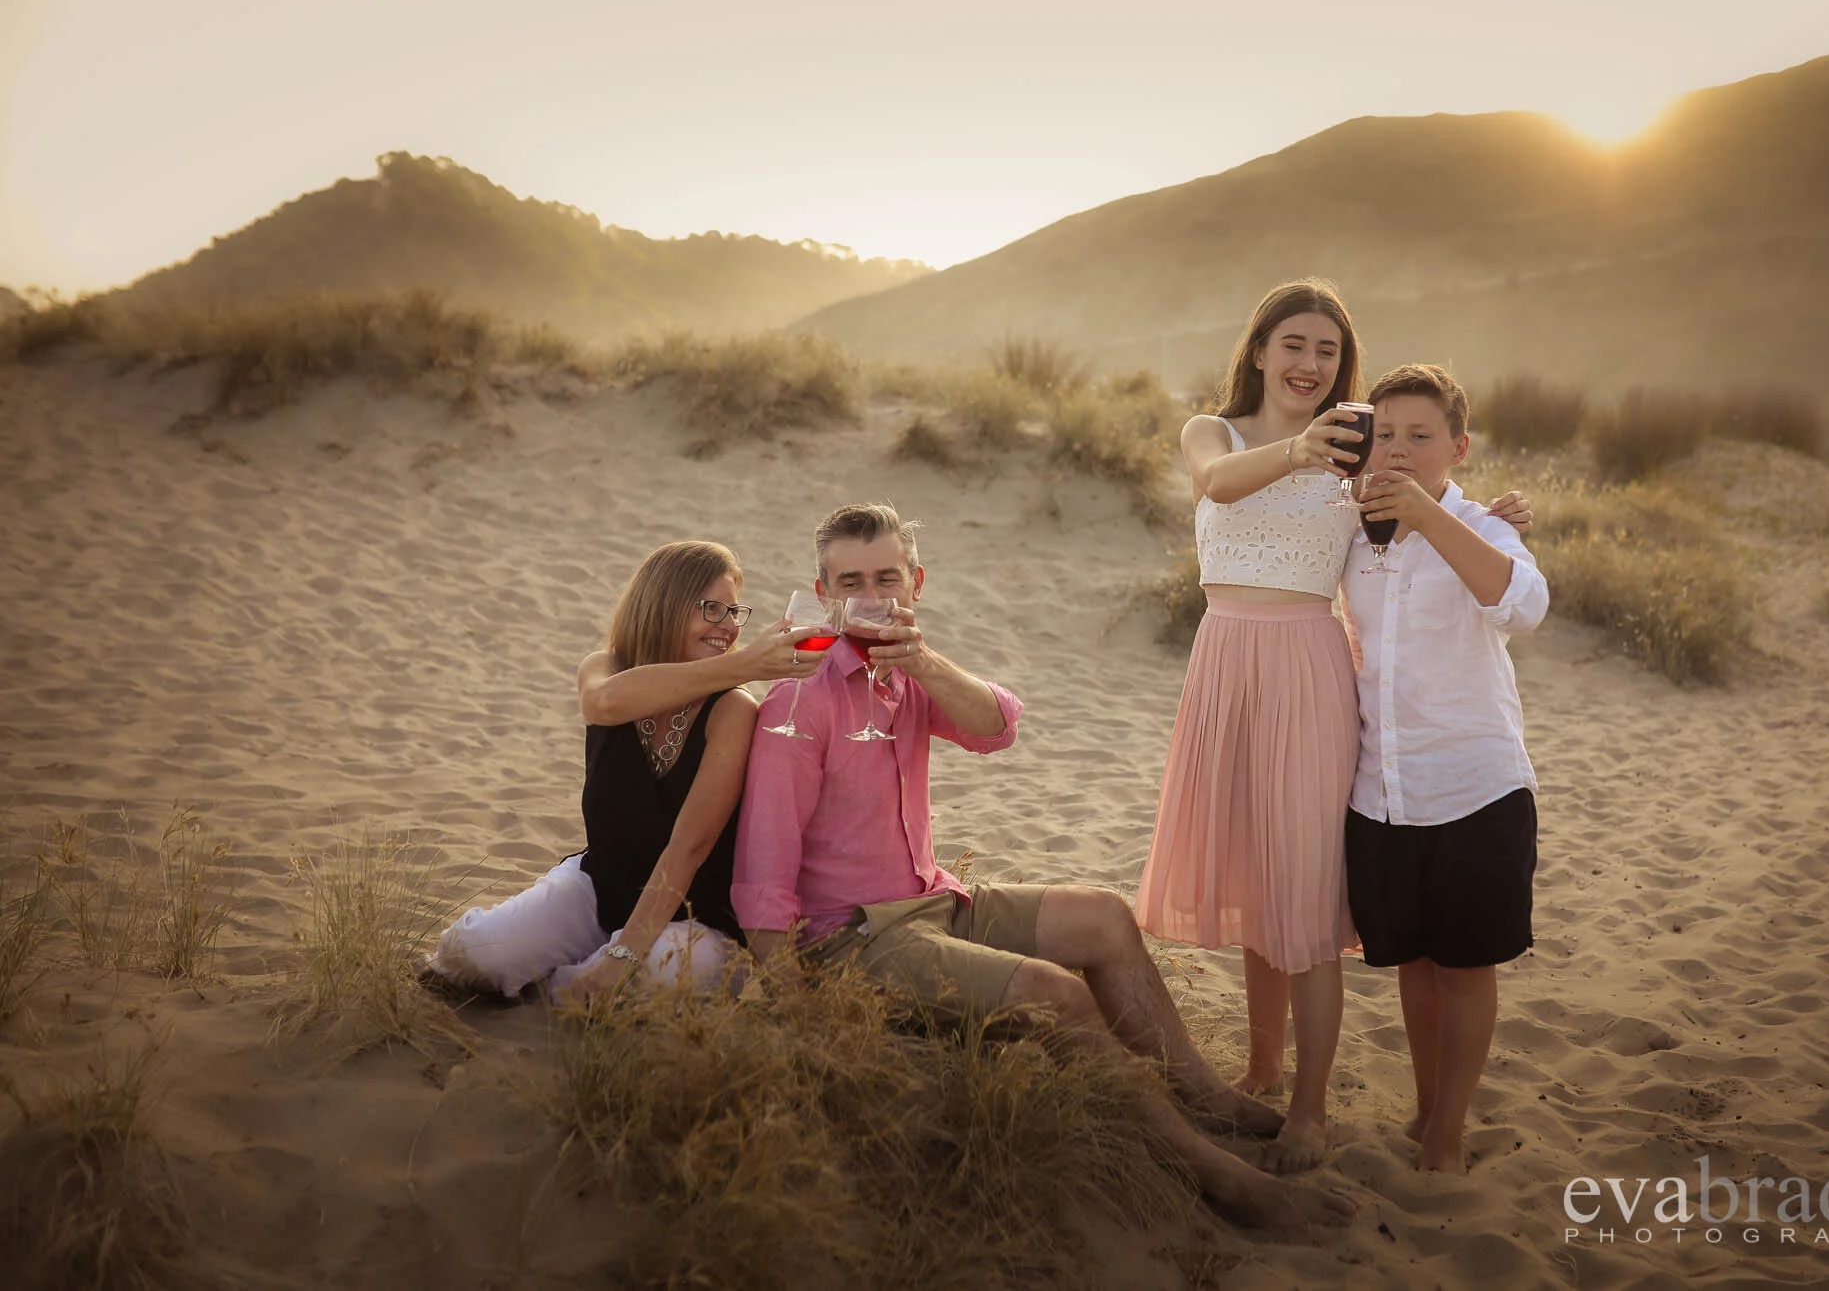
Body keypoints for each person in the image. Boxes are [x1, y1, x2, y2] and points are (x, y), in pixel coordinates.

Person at [734, 502, 1356, 1231]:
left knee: (1105, 917)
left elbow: (998, 727)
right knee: (1055, 994)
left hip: (932, 900)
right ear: (823, 592)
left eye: (887, 579)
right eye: (851, 583)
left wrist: (923, 661)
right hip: (856, 935)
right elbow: (762, 873)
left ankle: (1205, 1096)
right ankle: (1220, 1177)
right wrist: (795, 1010)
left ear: (916, 584)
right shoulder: (800, 700)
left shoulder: (909, 675)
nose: (871, 599)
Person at [1134, 279, 1533, 1173]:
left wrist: (1488, 515)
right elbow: (1214, 482)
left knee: (1307, 892)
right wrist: (1300, 450)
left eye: (1327, 350)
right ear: (1260, 349)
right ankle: (1262, 1069)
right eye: (1294, 344)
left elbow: (1424, 499)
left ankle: (1310, 1107)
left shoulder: (1355, 456)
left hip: (1309, 666)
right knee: (1252, 876)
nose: (1310, 363)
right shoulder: (1214, 431)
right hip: (1223, 660)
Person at [424, 540, 829, 1003]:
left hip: (695, 917)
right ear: (666, 605)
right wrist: (747, 662)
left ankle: (570, 983)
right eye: (712, 609)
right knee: (474, 956)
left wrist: (622, 957)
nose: (730, 626)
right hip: (601, 888)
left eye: (735, 612)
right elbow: (604, 703)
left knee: (656, 977)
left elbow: (689, 847)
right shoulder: (607, 668)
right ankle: (578, 967)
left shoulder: (733, 709)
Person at [1344, 364, 1548, 1173]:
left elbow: (1523, 604)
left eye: (1420, 435)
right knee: (1416, 965)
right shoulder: (1352, 529)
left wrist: (1432, 515)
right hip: (1383, 792)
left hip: (1476, 787)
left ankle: (1448, 1131)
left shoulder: (1485, 528)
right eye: (1386, 433)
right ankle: (1427, 1107)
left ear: (1458, 447)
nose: (1398, 448)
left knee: (1465, 968)